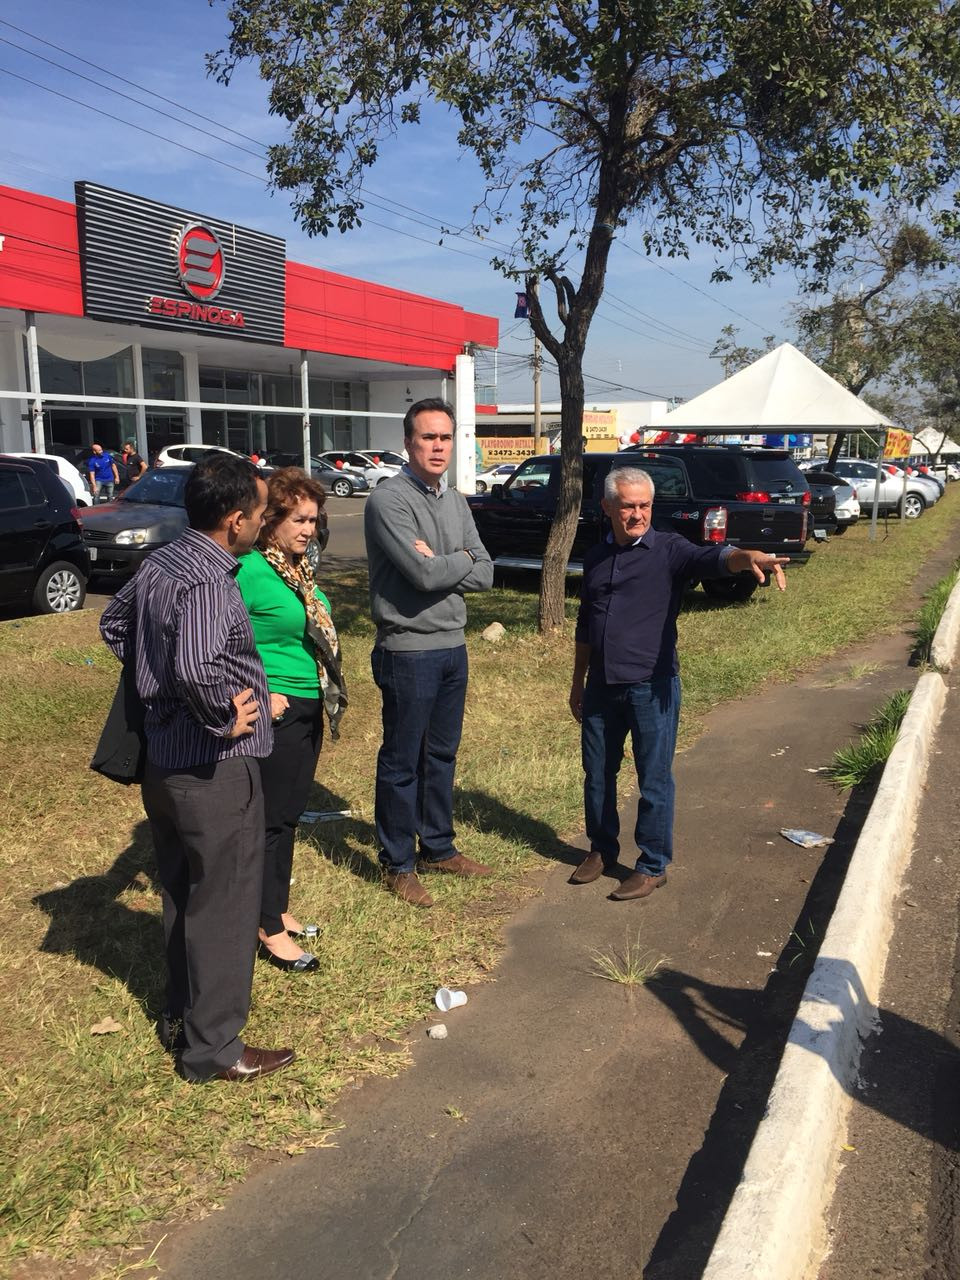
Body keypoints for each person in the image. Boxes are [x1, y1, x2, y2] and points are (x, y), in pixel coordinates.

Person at [99, 453, 295, 1082]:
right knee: (227, 902)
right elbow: (199, 665)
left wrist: (154, 678)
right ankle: (214, 1048)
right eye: (262, 515)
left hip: (164, 764)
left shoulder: (164, 559)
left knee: (184, 892)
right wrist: (223, 716)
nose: (264, 525)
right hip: (214, 768)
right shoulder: (212, 578)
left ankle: (183, 1013)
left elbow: (112, 622)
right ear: (236, 520)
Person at [569, 466, 788, 901]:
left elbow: (714, 557)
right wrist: (578, 683)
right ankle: (602, 849)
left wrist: (748, 558)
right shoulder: (595, 557)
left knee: (653, 778)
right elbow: (586, 625)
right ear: (608, 507)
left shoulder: (668, 549)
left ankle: (652, 865)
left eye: (645, 505)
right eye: (628, 506)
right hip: (601, 687)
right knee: (597, 773)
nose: (637, 514)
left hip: (652, 687)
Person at [364, 398, 494, 907]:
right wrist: (457, 560)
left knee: (440, 754)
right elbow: (419, 576)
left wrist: (449, 559)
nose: (438, 446)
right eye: (427, 437)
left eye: (445, 437)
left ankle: (438, 846)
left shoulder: (456, 501)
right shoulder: (388, 501)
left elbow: (486, 571)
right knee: (402, 761)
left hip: (452, 646)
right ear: (408, 442)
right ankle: (398, 862)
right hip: (408, 649)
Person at [236, 467, 347, 972]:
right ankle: (268, 927)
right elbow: (226, 641)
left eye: (313, 520)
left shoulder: (296, 570)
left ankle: (276, 907)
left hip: (308, 703)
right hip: (277, 710)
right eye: (298, 519)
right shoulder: (252, 570)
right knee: (269, 822)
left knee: (286, 816)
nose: (308, 529)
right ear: (271, 520)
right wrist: (262, 691)